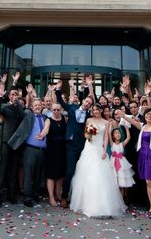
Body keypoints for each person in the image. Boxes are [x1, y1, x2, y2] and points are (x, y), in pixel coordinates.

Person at [70, 105, 127, 218]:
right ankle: (85, 203)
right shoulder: (89, 120)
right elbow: (86, 134)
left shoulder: (106, 122)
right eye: (94, 110)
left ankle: (102, 204)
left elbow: (106, 137)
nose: (95, 111)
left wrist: (105, 150)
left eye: (97, 109)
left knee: (100, 174)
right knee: (86, 173)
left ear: (101, 110)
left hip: (99, 148)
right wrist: (89, 134)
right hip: (89, 147)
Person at [55, 77, 94, 207]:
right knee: (70, 171)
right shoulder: (72, 107)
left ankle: (81, 198)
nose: (87, 103)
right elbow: (60, 101)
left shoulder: (89, 116)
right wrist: (58, 89)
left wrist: (89, 87)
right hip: (71, 145)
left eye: (89, 103)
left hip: (83, 145)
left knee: (82, 172)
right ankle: (64, 197)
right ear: (83, 101)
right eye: (86, 101)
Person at [10, 87, 46, 207]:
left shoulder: (45, 118)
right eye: (35, 105)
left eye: (39, 105)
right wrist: (28, 95)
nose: (37, 107)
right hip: (30, 149)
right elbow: (21, 110)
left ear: (42, 106)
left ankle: (35, 194)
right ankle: (27, 197)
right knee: (29, 174)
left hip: (42, 151)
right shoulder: (28, 115)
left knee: (38, 174)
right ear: (32, 107)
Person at [0, 73, 24, 207]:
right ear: (9, 96)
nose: (13, 96)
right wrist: (0, 96)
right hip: (6, 141)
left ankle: (11, 195)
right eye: (12, 94)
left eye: (15, 94)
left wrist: (17, 104)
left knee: (13, 169)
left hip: (16, 143)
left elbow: (22, 117)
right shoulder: (5, 107)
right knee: (3, 168)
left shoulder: (19, 107)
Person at [36, 100, 67, 206]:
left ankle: (58, 194)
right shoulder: (48, 120)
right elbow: (46, 129)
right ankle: (51, 197)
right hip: (51, 150)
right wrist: (41, 135)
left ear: (61, 110)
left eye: (58, 109)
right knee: (51, 174)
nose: (56, 111)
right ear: (51, 110)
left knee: (60, 174)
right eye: (54, 109)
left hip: (62, 150)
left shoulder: (64, 119)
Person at [110, 127, 135, 197]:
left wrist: (126, 128)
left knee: (122, 180)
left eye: (119, 133)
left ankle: (124, 197)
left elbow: (128, 137)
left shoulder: (122, 144)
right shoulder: (112, 144)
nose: (118, 134)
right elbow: (108, 135)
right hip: (114, 162)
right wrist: (109, 126)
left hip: (122, 163)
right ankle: (117, 199)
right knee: (115, 179)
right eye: (116, 133)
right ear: (113, 136)